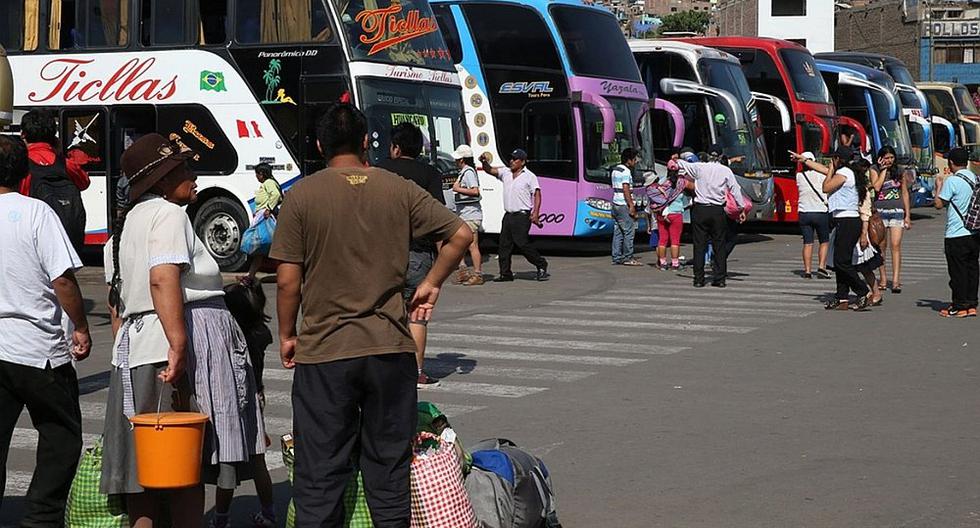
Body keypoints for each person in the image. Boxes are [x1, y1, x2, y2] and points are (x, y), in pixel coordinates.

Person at [270, 103, 471, 527]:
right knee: (389, 473)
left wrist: (288, 334)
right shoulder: (397, 188)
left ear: (320, 144)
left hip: (325, 352)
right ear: (366, 143)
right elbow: (460, 233)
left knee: (319, 474)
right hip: (390, 350)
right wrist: (432, 282)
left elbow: (288, 282)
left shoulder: (301, 196)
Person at [102, 133, 265, 527]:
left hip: (137, 352)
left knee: (147, 474)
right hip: (169, 349)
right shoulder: (168, 214)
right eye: (183, 169)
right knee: (183, 471)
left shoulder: (122, 231)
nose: (193, 175)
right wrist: (178, 346)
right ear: (159, 181)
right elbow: (163, 278)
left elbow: (116, 304)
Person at [0, 135, 91, 526]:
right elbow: (63, 280)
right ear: (25, 173)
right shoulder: (36, 214)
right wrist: (82, 327)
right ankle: (41, 517)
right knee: (61, 438)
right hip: (39, 351)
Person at [376, 123, 446, 387]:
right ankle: (416, 373)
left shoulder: (378, 170)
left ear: (395, 147)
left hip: (381, 253)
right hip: (418, 253)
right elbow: (439, 220)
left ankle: (381, 369)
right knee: (417, 314)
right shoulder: (430, 174)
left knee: (382, 311)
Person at [217, 279, 276, 528]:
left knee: (227, 462)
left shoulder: (233, 337)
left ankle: (221, 518)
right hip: (256, 396)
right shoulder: (261, 332)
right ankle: (269, 513)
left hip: (233, 399)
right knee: (258, 460)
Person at [792, 147, 873, 311]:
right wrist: (804, 160)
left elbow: (826, 187)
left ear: (838, 159)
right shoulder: (846, 171)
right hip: (843, 220)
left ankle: (862, 291)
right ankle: (841, 297)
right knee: (840, 261)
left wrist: (829, 170)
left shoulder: (844, 173)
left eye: (832, 159)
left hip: (848, 220)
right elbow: (822, 169)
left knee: (841, 262)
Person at [674, 143, 746, 288]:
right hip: (717, 210)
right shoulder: (725, 170)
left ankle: (699, 279)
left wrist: (675, 158)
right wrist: (741, 208)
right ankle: (719, 279)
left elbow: (679, 164)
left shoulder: (699, 167)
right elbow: (735, 190)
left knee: (699, 245)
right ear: (720, 156)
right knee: (719, 244)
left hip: (700, 210)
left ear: (707, 155)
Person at [18, 109, 91, 250]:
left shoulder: (21, 164)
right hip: (64, 240)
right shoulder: (65, 163)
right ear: (53, 136)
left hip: (31, 239)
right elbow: (84, 182)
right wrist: (59, 152)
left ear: (23, 134)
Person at [480, 149, 550, 282]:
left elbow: (537, 194)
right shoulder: (505, 172)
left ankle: (541, 264)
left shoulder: (529, 176)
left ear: (523, 162)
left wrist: (535, 213)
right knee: (504, 245)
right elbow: (489, 170)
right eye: (511, 158)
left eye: (515, 159)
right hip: (508, 215)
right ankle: (505, 274)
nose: (512, 161)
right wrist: (484, 162)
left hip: (522, 216)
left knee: (522, 243)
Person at [933, 147, 979, 317]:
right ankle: (971, 304)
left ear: (951, 163)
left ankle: (959, 306)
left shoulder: (952, 181)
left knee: (957, 271)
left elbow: (939, 204)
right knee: (972, 268)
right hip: (974, 232)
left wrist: (938, 186)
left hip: (956, 233)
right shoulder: (974, 178)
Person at [869, 146, 912, 294]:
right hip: (880, 213)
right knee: (881, 247)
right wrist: (883, 170)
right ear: (880, 158)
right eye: (886, 158)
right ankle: (883, 278)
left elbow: (904, 193)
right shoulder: (874, 169)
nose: (889, 160)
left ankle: (895, 281)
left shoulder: (900, 171)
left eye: (891, 157)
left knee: (896, 245)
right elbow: (876, 186)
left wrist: (907, 215)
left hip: (896, 211)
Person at [451, 144, 485, 285]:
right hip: (464, 214)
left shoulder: (469, 172)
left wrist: (458, 189)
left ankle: (477, 274)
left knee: (472, 245)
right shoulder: (464, 172)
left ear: (462, 159)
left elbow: (475, 191)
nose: (455, 161)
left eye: (457, 159)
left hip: (470, 214)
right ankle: (463, 270)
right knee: (459, 243)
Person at [795, 151, 832, 279]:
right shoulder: (823, 176)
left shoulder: (799, 176)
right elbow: (828, 173)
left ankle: (807, 271)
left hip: (804, 213)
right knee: (824, 241)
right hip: (820, 212)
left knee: (808, 242)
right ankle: (821, 267)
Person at [246, 162, 283, 280]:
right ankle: (250, 276)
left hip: (266, 218)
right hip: (262, 217)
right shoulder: (268, 183)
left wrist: (268, 209)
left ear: (261, 174)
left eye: (257, 174)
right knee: (261, 249)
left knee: (264, 246)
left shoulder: (269, 183)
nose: (256, 177)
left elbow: (276, 195)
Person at [856, 158, 885, 306]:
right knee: (857, 266)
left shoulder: (863, 190)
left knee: (864, 266)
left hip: (862, 230)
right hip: (854, 229)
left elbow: (865, 214)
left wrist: (863, 235)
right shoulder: (853, 187)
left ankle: (874, 293)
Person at [653, 164, 689, 270]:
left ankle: (663, 263)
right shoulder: (682, 182)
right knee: (675, 240)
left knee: (662, 240)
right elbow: (694, 188)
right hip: (676, 213)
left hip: (662, 213)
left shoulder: (661, 182)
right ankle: (675, 263)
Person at [611, 148, 642, 266]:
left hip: (615, 204)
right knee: (629, 231)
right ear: (629, 160)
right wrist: (631, 206)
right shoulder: (626, 172)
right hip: (623, 204)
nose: (636, 162)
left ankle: (616, 256)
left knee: (618, 231)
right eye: (635, 159)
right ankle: (628, 257)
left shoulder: (615, 169)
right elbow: (626, 189)